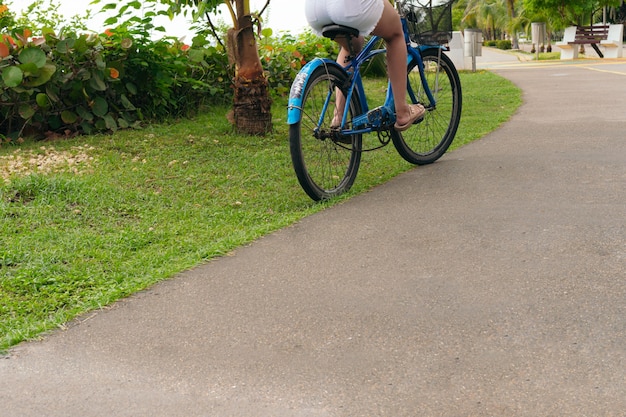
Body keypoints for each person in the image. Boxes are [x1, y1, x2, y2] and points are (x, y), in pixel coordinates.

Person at [304, 0, 425, 131]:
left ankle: (338, 118)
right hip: (348, 7)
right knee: (395, 33)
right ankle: (403, 112)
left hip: (315, 10)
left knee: (352, 45)